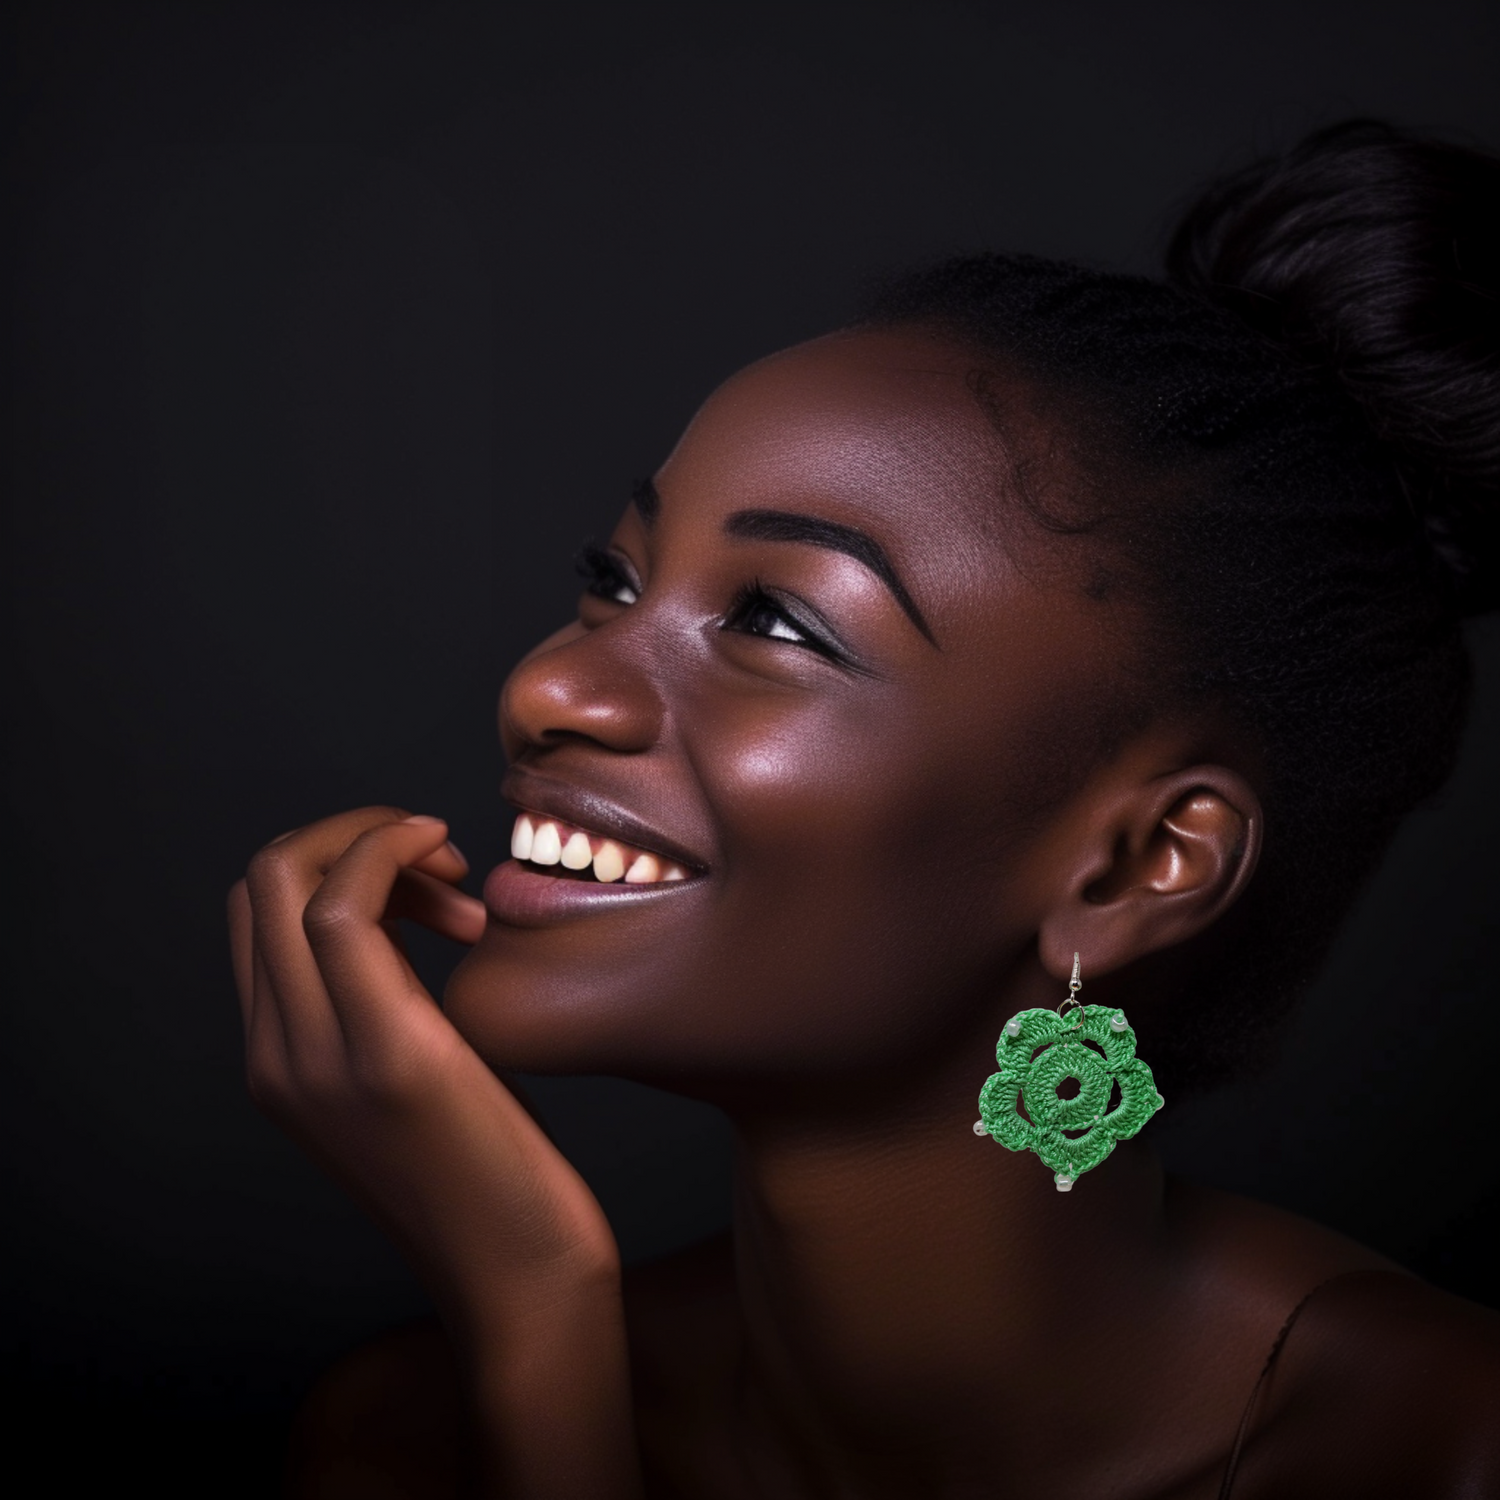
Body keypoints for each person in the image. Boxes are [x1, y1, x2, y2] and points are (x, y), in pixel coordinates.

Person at [228, 120, 1500, 1498]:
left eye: (776, 620)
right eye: (614, 575)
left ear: (1137, 864)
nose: (552, 686)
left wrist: (538, 1326)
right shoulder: (403, 1438)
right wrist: (537, 1320)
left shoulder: (1434, 1451)